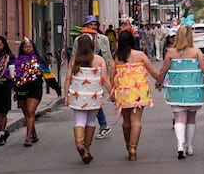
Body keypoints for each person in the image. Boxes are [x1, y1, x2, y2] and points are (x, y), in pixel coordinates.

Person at [159, 19, 204, 159]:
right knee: (191, 119)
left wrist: (158, 82)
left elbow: (163, 70)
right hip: (194, 90)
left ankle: (180, 145)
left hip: (176, 90)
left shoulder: (171, 52)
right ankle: (189, 147)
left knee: (179, 118)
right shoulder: (196, 52)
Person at [111, 27, 160, 161]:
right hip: (139, 92)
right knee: (136, 121)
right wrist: (159, 81)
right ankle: (133, 147)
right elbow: (153, 72)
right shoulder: (140, 55)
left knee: (126, 122)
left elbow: (111, 76)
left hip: (123, 92)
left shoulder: (116, 57)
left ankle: (128, 146)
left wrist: (112, 93)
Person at [63, 32, 111, 164]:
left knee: (79, 121)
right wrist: (112, 94)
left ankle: (79, 143)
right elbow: (105, 79)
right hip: (94, 96)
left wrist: (66, 95)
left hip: (78, 96)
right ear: (92, 45)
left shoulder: (74, 60)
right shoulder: (99, 60)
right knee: (91, 122)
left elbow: (68, 78)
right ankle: (87, 148)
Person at [12, 37, 61, 147]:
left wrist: (57, 88)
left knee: (30, 111)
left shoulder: (38, 61)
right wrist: (15, 89)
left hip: (35, 89)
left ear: (33, 48)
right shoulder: (17, 62)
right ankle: (34, 134)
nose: (28, 49)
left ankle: (28, 138)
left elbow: (48, 76)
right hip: (22, 91)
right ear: (22, 48)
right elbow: (14, 78)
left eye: (30, 47)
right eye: (25, 47)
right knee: (27, 114)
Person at [73, 15, 113, 140]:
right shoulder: (79, 40)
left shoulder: (103, 39)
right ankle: (100, 125)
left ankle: (102, 125)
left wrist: (110, 76)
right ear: (86, 27)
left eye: (95, 25)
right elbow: (75, 56)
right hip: (83, 73)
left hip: (98, 73)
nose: (93, 27)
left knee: (95, 99)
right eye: (91, 25)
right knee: (91, 101)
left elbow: (108, 57)